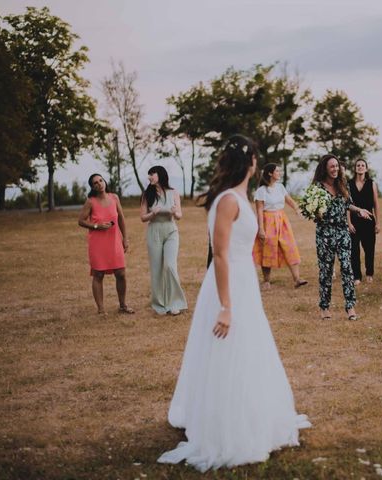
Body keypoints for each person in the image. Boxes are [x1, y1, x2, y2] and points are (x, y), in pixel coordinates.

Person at [158, 135, 310, 471]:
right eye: (256, 158)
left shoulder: (239, 195)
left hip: (245, 280)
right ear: (251, 161)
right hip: (229, 283)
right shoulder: (228, 200)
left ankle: (250, 408)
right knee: (229, 346)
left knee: (250, 346)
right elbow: (221, 255)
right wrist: (226, 306)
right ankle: (226, 420)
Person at [312, 154, 372, 320]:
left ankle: (350, 307)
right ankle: (324, 308)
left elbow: (347, 204)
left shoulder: (342, 184)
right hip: (324, 234)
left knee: (347, 268)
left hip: (342, 232)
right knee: (326, 271)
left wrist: (358, 210)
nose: (335, 169)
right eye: (332, 166)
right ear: (325, 168)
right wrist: (317, 212)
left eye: (337, 166)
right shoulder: (317, 188)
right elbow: (314, 214)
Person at [77, 173, 134, 315]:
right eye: (95, 183)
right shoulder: (91, 201)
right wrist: (96, 226)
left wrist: (125, 238)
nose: (99, 184)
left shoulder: (114, 198)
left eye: (101, 180)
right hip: (98, 243)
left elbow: (121, 218)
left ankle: (122, 305)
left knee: (121, 273)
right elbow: (81, 221)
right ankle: (101, 310)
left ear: (105, 181)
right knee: (98, 274)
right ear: (92, 187)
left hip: (114, 241)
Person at [140, 166, 188, 315]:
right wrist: (152, 214)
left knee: (170, 266)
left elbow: (179, 215)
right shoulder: (147, 194)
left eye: (152, 174)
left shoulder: (173, 192)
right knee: (157, 269)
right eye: (148, 175)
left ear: (160, 174)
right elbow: (143, 217)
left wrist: (176, 212)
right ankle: (159, 304)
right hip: (154, 232)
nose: (149, 177)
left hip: (171, 231)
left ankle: (175, 303)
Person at [253, 163, 307, 289]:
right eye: (277, 171)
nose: (279, 173)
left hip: (282, 220)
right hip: (267, 221)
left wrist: (297, 209)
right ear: (270, 173)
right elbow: (259, 211)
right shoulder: (261, 191)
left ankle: (297, 279)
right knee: (268, 249)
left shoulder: (280, 187)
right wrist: (260, 228)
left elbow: (290, 201)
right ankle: (266, 281)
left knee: (290, 246)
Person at [347, 159, 380, 284]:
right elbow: (347, 205)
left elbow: (376, 204)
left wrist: (377, 223)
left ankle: (369, 273)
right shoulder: (349, 184)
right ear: (355, 168)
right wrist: (349, 223)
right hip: (354, 221)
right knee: (354, 250)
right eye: (358, 165)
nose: (360, 167)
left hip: (369, 221)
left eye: (362, 165)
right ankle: (356, 276)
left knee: (369, 249)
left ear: (366, 169)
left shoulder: (372, 184)